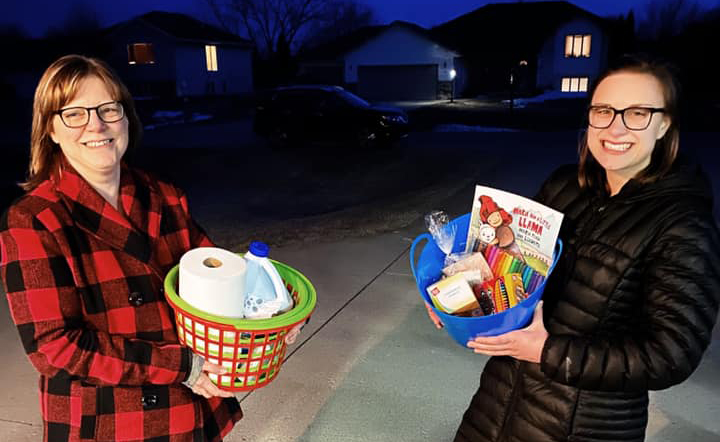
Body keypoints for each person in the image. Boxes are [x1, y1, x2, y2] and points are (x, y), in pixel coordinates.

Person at [0, 54, 302, 442]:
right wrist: (182, 366)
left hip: (187, 410)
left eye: (109, 108)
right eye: (74, 113)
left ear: (126, 119)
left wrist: (279, 316)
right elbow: (55, 346)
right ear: (51, 130)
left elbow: (221, 278)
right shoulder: (34, 220)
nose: (97, 124)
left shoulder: (164, 196)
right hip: (110, 421)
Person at [428, 54, 720, 441]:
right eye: (603, 110)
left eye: (636, 113)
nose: (615, 128)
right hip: (498, 402)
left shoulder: (683, 224)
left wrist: (549, 352)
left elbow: (670, 355)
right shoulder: (565, 186)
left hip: (582, 425)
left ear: (664, 124)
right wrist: (461, 298)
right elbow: (512, 265)